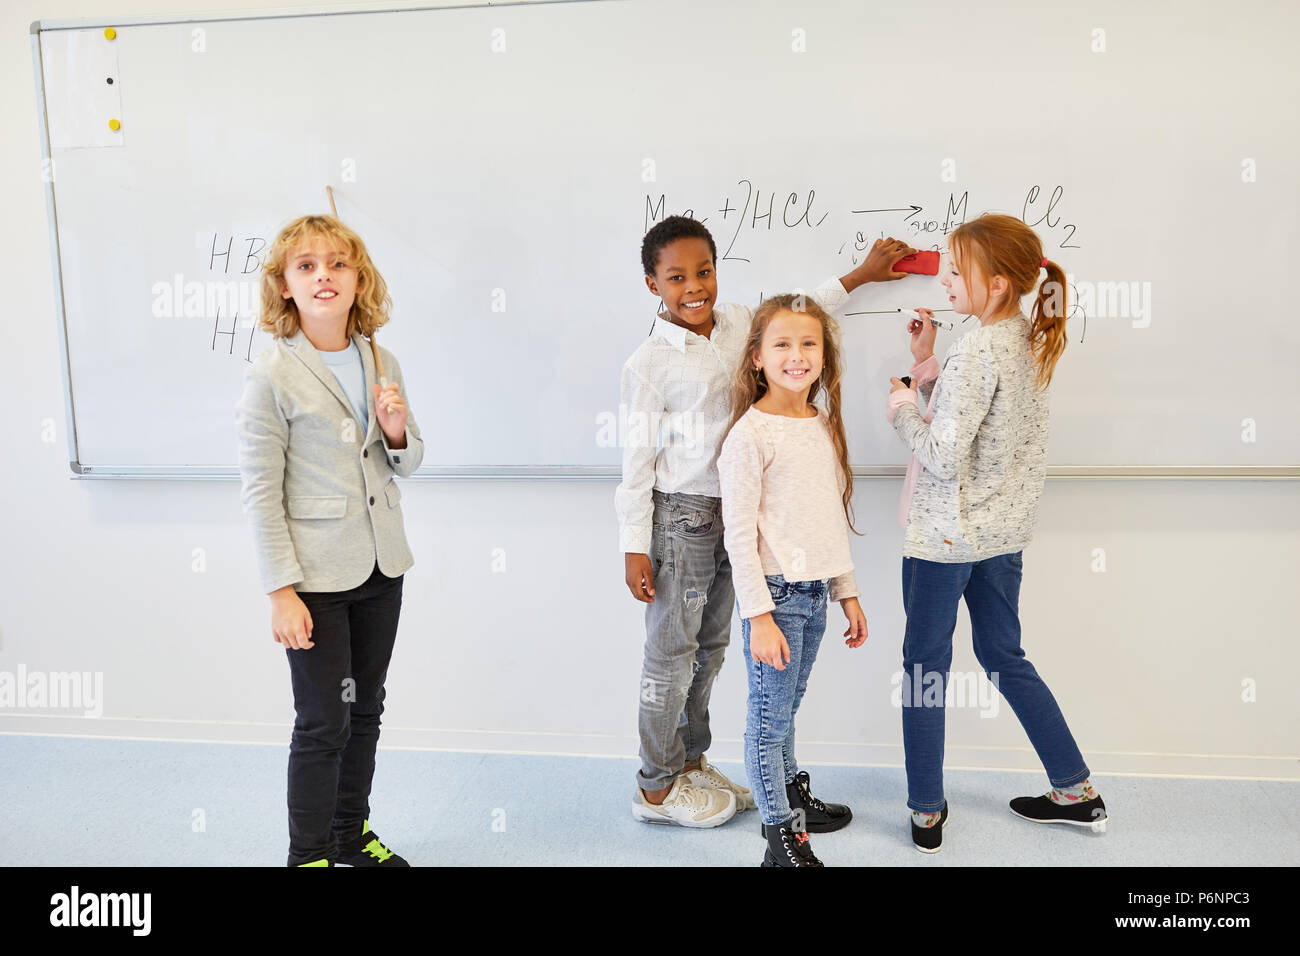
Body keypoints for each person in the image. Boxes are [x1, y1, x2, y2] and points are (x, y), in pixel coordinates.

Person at [886, 213, 1107, 853]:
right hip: (998, 537)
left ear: (1001, 285)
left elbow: (944, 454)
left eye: (958, 271)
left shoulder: (979, 350)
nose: (946, 280)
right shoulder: (1026, 341)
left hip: (945, 541)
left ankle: (926, 810)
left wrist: (901, 405)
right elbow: (978, 436)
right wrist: (928, 363)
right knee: (1004, 656)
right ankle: (1075, 789)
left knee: (925, 667)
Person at [235, 214, 423, 866]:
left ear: (357, 278)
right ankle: (308, 853)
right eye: (307, 266)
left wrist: (397, 430)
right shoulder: (271, 375)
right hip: (314, 579)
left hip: (381, 565)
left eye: (337, 264)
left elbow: (407, 460)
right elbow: (260, 492)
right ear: (284, 285)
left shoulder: (381, 357)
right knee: (323, 723)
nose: (324, 276)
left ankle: (350, 835)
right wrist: (280, 590)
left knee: (365, 711)